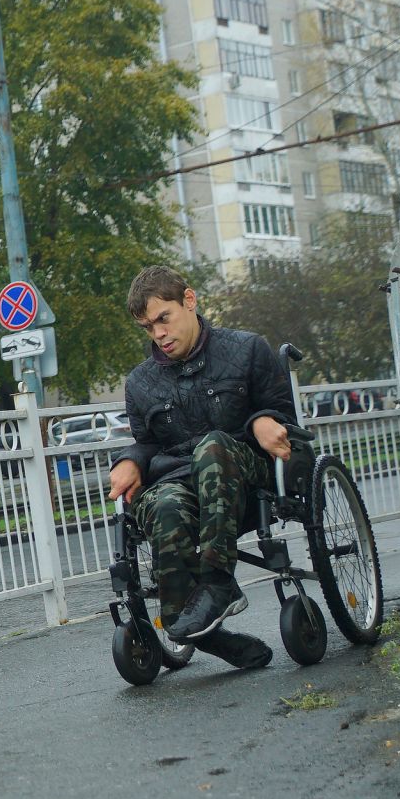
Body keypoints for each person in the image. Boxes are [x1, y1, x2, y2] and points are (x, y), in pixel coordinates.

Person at [108, 265, 294, 669]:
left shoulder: (247, 349)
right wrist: (129, 460)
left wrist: (263, 419)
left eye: (164, 318)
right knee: (165, 504)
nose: (158, 333)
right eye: (147, 326)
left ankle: (216, 582)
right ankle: (196, 630)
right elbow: (147, 442)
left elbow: (281, 412)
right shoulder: (140, 383)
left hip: (244, 473)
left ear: (189, 302)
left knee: (212, 447)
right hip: (181, 480)